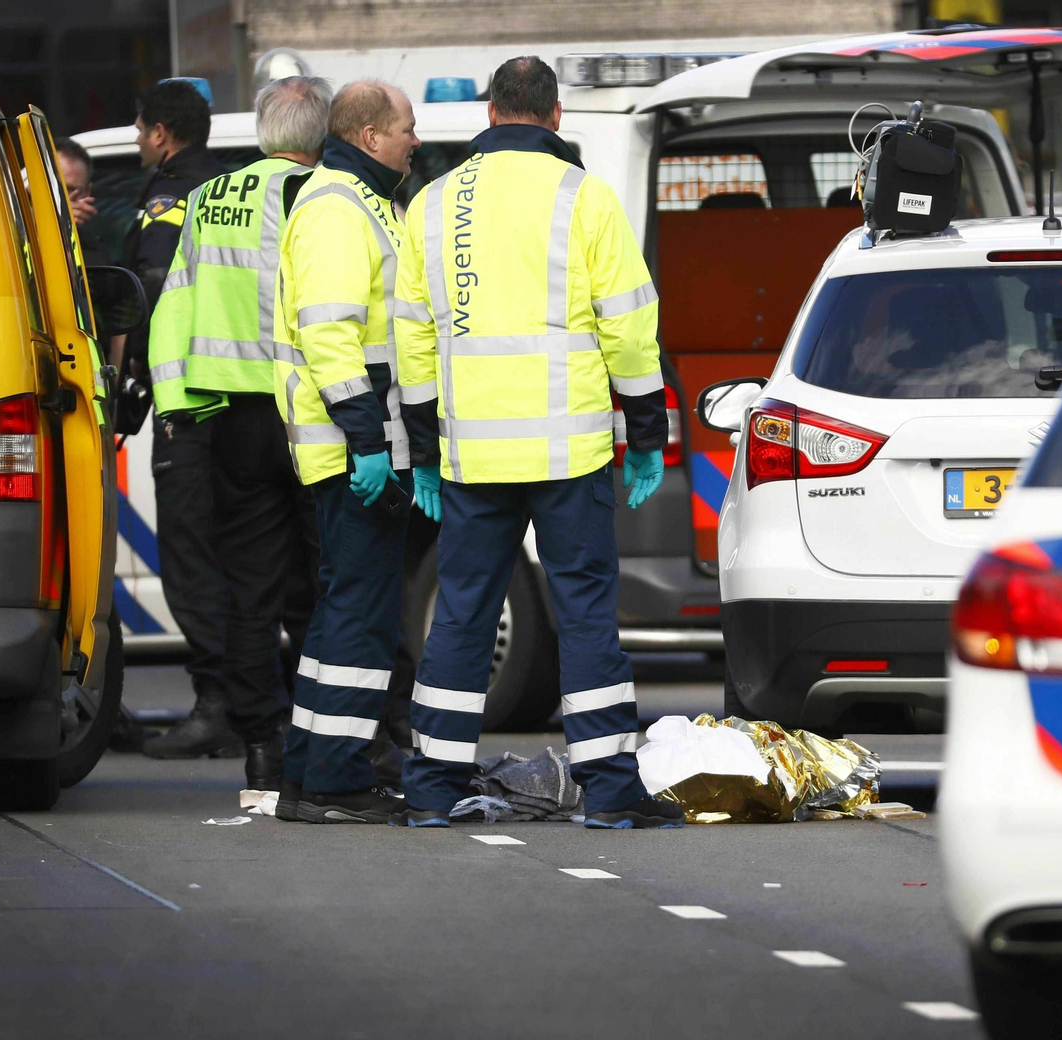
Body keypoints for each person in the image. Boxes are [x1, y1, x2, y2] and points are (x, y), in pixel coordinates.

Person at [393, 56, 683, 830]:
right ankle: (611, 790)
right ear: (555, 117)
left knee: (461, 615)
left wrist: (422, 447)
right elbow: (629, 324)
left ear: (490, 114)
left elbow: (413, 341)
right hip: (569, 451)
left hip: (472, 455)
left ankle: (432, 784)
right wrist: (646, 433)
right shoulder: (584, 198)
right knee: (585, 613)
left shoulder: (431, 203)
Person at [144, 76, 333, 792]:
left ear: (260, 131)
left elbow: (174, 306)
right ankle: (328, 736)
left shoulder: (207, 199)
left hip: (232, 419)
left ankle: (263, 742)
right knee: (325, 585)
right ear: (320, 136)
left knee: (249, 591)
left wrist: (178, 404)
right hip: (311, 412)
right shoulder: (325, 196)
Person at [273, 79, 425, 824]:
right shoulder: (338, 207)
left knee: (344, 618)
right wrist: (368, 439)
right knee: (359, 620)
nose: (414, 139)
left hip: (359, 445)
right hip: (353, 448)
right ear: (370, 136)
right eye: (406, 127)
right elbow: (330, 334)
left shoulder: (361, 202)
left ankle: (309, 773)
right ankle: (333, 780)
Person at [119, 80, 234, 758]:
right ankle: (251, 704)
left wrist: (130, 370)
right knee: (245, 557)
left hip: (187, 406)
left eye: (140, 129)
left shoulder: (167, 199)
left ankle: (216, 704)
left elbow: (153, 292)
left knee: (192, 559)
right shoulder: (227, 189)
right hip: (243, 400)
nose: (138, 140)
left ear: (161, 132)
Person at [54, 137, 106, 264]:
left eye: (72, 191)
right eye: (57, 188)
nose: (66, 199)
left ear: (87, 193)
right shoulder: (12, 233)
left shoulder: (94, 251)